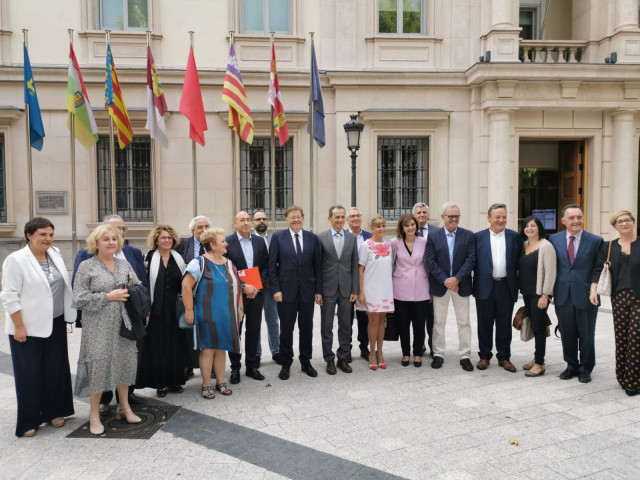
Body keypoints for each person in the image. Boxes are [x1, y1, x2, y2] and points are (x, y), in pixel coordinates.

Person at [1, 217, 75, 438]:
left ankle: (55, 411)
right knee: (29, 374)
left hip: (55, 322)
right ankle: (29, 420)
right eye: (43, 234)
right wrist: (19, 326)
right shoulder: (16, 260)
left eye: (51, 234)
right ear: (29, 235)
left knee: (55, 369)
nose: (48, 239)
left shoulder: (56, 254)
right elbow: (9, 296)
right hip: (27, 327)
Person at [73, 224, 146, 435]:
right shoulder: (87, 266)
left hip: (125, 323)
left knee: (124, 362)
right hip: (97, 325)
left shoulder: (124, 264)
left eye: (114, 239)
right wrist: (107, 297)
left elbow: (138, 285)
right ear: (96, 243)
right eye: (106, 239)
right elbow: (78, 298)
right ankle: (94, 414)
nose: (111, 242)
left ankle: (124, 408)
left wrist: (132, 292)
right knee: (99, 365)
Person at [182, 228, 242, 399]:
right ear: (212, 244)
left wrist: (240, 308)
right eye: (222, 241)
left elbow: (238, 286)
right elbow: (186, 286)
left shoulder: (228, 263)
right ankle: (206, 384)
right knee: (208, 348)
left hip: (226, 313)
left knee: (222, 348)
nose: (226, 243)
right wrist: (189, 310)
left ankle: (221, 382)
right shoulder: (198, 262)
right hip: (206, 312)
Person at [549, 204, 603, 384]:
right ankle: (571, 365)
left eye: (579, 217)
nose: (576, 221)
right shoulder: (553, 239)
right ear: (563, 221)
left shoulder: (595, 241)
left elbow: (598, 268)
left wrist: (594, 289)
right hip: (562, 294)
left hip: (587, 295)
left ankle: (586, 368)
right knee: (567, 332)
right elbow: (551, 267)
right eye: (571, 218)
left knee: (587, 334)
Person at [269, 205, 322, 380]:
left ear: (303, 218)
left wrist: (318, 291)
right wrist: (275, 289)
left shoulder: (312, 238)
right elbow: (272, 267)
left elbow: (317, 267)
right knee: (286, 329)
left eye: (298, 216)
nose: (296, 220)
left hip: (307, 292)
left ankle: (306, 361)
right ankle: (286, 363)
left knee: (306, 328)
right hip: (285, 292)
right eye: (292, 217)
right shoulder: (278, 238)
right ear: (286, 219)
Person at [590, 210, 640, 395]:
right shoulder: (608, 246)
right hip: (618, 297)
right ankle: (622, 376)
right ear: (615, 226)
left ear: (633, 222)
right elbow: (597, 269)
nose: (624, 223)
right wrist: (593, 290)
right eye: (620, 221)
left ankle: (633, 382)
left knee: (636, 338)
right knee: (622, 339)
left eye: (628, 220)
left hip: (638, 297)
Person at [136, 224, 188, 397]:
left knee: (175, 344)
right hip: (156, 310)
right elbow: (144, 285)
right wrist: (146, 311)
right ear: (156, 240)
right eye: (163, 238)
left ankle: (175, 381)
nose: (167, 240)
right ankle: (160, 383)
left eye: (169, 237)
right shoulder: (149, 258)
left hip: (175, 309)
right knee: (158, 346)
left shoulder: (179, 258)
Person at [425, 202, 476, 371]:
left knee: (464, 322)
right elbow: (430, 262)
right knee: (438, 322)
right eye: (451, 216)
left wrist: (457, 279)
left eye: (457, 216)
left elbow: (471, 259)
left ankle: (465, 356)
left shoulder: (468, 235)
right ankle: (438, 354)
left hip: (461, 286)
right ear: (443, 217)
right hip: (441, 286)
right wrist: (446, 280)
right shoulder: (433, 236)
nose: (454, 219)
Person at [473, 203, 523, 372]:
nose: (501, 220)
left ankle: (504, 357)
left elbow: (520, 263)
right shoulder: (477, 237)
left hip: (506, 286)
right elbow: (471, 262)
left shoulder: (515, 237)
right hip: (484, 286)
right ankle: (484, 356)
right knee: (484, 324)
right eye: (497, 217)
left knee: (504, 324)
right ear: (489, 218)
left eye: (504, 217)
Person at [225, 211, 268, 383]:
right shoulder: (228, 242)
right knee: (236, 332)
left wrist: (258, 285)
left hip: (256, 294)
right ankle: (235, 368)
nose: (246, 223)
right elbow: (226, 268)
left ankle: (251, 366)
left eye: (248, 220)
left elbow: (265, 266)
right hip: (237, 295)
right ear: (234, 224)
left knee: (253, 331)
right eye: (241, 220)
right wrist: (243, 286)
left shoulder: (259, 241)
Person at [318, 205, 359, 374]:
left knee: (346, 325)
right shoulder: (320, 238)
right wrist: (318, 291)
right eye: (337, 217)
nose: (340, 220)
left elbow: (354, 266)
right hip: (327, 290)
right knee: (327, 326)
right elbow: (318, 267)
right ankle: (329, 358)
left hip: (346, 289)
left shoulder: (351, 238)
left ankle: (343, 356)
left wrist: (355, 289)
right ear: (330, 219)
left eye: (343, 217)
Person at [519, 216, 557, 377]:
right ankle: (536, 358)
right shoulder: (525, 245)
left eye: (533, 225)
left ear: (539, 228)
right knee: (535, 324)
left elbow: (550, 272)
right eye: (526, 226)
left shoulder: (546, 246)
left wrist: (545, 295)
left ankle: (540, 363)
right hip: (526, 293)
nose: (529, 228)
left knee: (539, 327)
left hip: (539, 294)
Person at [391, 214, 429, 367]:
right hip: (400, 288)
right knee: (403, 324)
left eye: (412, 224)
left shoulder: (424, 242)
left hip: (421, 287)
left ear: (416, 226)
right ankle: (406, 353)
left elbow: (427, 265)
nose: (410, 227)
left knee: (419, 324)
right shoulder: (395, 243)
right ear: (402, 228)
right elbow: (390, 264)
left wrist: (431, 291)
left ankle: (418, 353)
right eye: (407, 225)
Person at [175, 215, 211, 379]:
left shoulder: (214, 244)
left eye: (206, 226)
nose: (203, 230)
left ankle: (208, 367)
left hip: (209, 296)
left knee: (208, 332)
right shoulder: (183, 244)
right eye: (200, 227)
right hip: (188, 294)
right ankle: (187, 366)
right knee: (187, 331)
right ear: (193, 230)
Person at [357, 214, 394, 370]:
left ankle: (380, 353)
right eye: (378, 226)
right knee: (372, 321)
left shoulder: (389, 245)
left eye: (383, 226)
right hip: (370, 289)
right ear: (372, 228)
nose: (381, 229)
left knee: (382, 321)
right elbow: (360, 269)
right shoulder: (366, 245)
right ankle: (372, 353)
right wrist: (361, 292)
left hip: (385, 288)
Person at [252, 210, 281, 365]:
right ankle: (256, 354)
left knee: (273, 320)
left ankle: (276, 351)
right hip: (254, 286)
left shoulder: (275, 238)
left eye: (264, 219)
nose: (261, 221)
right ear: (253, 222)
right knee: (255, 321)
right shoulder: (249, 239)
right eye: (258, 219)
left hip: (271, 286)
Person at [347, 207, 371, 360]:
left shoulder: (369, 236)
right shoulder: (342, 236)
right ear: (347, 220)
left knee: (364, 318)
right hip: (347, 284)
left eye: (358, 215)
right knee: (346, 318)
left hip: (365, 283)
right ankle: (346, 348)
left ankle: (364, 347)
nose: (355, 218)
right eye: (352, 216)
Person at [412, 202, 435, 357]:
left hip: (433, 279)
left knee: (433, 317)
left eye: (424, 212)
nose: (421, 215)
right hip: (414, 281)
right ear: (414, 215)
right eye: (419, 212)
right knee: (417, 316)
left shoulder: (436, 231)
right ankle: (418, 346)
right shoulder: (408, 230)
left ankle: (434, 346)